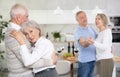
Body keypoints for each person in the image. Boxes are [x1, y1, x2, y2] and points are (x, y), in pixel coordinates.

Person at [5, 4, 56, 77]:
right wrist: (50, 61)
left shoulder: (20, 31)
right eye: (27, 16)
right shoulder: (13, 34)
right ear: (19, 17)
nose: (28, 19)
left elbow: (31, 51)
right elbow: (28, 62)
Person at [74, 11, 97, 77]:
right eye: (81, 18)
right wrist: (89, 41)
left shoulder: (91, 28)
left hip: (93, 59)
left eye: (85, 16)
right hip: (84, 61)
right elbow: (83, 44)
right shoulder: (78, 31)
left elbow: (99, 37)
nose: (84, 19)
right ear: (77, 20)